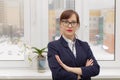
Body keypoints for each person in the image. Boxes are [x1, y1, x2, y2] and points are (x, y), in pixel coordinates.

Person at [47, 10, 100, 80]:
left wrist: (69, 69)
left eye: (73, 22)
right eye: (66, 22)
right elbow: (57, 74)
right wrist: (82, 73)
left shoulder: (84, 45)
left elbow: (95, 69)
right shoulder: (53, 46)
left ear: (77, 25)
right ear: (60, 24)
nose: (69, 25)